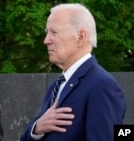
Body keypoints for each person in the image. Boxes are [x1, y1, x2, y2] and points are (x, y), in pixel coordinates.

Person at [20, 3, 126, 141]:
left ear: (80, 37)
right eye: (47, 33)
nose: (46, 40)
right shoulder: (56, 86)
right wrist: (37, 128)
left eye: (54, 32)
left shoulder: (102, 85)